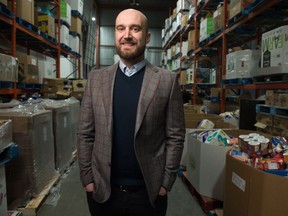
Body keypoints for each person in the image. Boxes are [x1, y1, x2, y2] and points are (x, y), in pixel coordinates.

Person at [77, 8, 185, 216]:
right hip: (102, 192)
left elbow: (176, 136)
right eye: (121, 28)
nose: (127, 35)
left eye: (135, 29)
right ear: (116, 34)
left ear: (147, 36)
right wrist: (87, 179)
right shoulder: (96, 80)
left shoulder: (166, 81)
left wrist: (166, 182)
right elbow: (85, 134)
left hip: (149, 194)